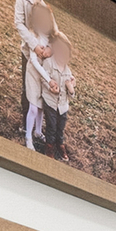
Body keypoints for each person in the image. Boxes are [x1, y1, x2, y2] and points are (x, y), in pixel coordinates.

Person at [13, 0, 55, 148]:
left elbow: (53, 29)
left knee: (41, 88)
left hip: (43, 56)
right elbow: (19, 24)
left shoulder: (44, 5)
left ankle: (38, 128)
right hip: (29, 52)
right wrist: (34, 45)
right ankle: (25, 125)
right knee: (27, 87)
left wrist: (49, 47)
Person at [36, 30, 77, 163]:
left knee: (60, 128)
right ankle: (49, 146)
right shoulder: (49, 63)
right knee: (52, 127)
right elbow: (43, 78)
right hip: (51, 102)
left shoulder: (68, 71)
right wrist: (50, 86)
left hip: (63, 106)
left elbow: (71, 95)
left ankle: (60, 145)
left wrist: (71, 88)